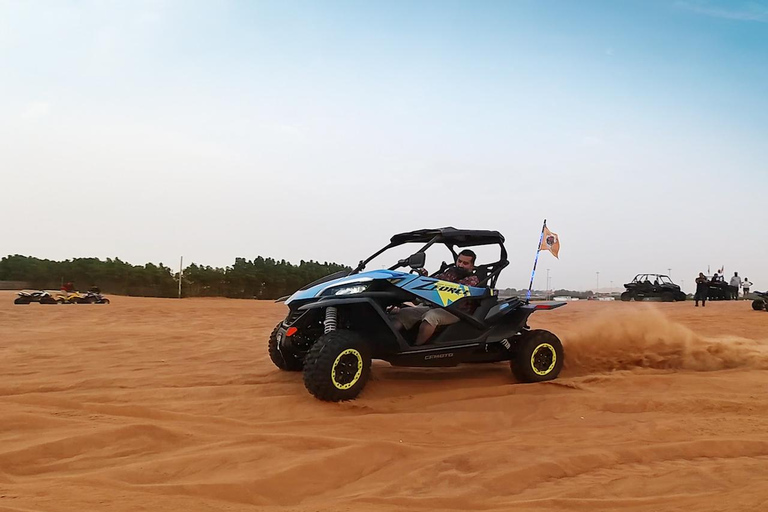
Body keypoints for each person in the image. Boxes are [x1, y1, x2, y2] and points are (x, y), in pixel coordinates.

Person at [392, 249, 480, 345]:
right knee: (404, 313)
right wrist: (425, 277)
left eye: (465, 263)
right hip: (436, 306)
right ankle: (390, 341)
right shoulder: (451, 273)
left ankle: (417, 347)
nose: (461, 265)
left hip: (456, 311)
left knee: (431, 317)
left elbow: (454, 292)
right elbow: (435, 281)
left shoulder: (472, 280)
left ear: (472, 266)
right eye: (459, 261)